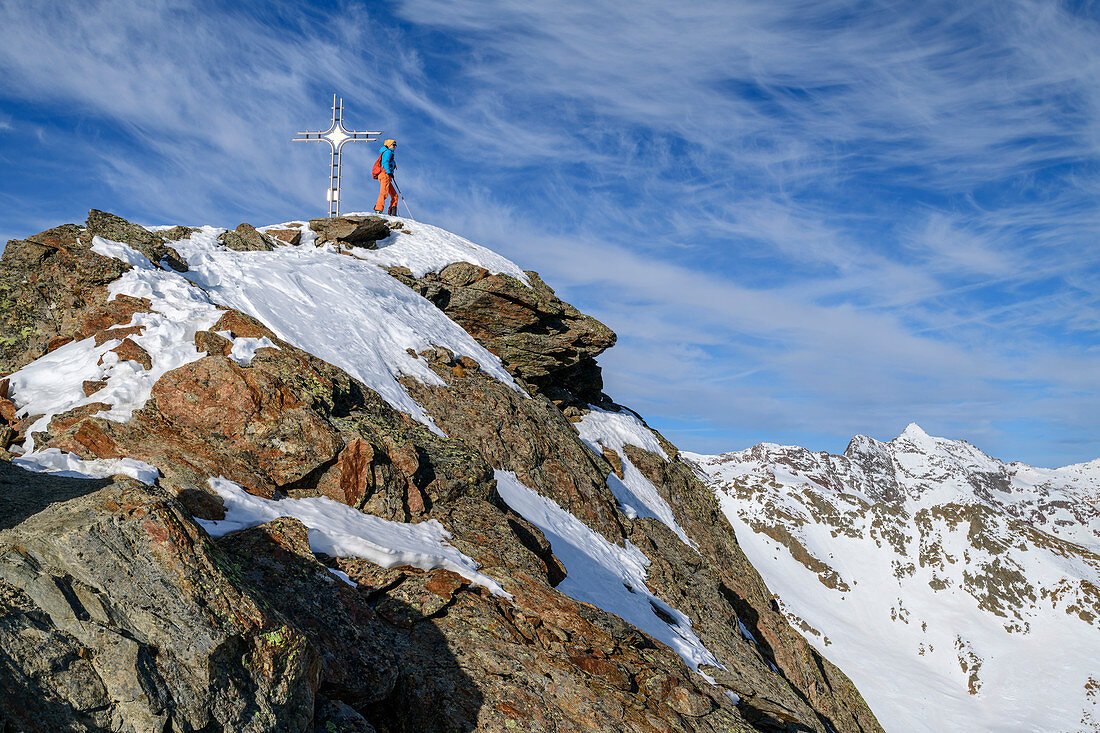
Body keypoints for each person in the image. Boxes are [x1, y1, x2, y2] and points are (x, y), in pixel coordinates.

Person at [373, 139, 398, 215]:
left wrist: (390, 173)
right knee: (384, 192)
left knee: (394, 195)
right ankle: (378, 209)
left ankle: (392, 212)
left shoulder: (389, 153)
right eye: (393, 145)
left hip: (386, 175)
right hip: (385, 174)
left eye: (395, 145)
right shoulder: (388, 152)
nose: (395, 146)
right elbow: (385, 162)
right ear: (389, 145)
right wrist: (389, 172)